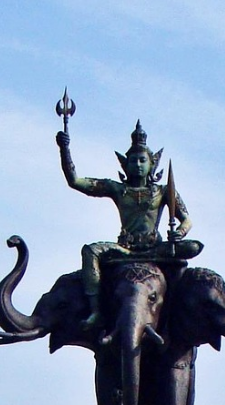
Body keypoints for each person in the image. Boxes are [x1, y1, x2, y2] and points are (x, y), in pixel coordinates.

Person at [56, 120, 203, 326]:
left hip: (155, 248)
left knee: (194, 247)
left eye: (143, 160)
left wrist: (180, 232)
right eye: (133, 161)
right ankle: (96, 309)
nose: (138, 165)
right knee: (90, 251)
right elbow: (75, 181)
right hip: (125, 249)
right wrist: (65, 150)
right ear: (126, 164)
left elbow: (186, 219)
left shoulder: (162, 191)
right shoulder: (117, 189)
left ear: (152, 163)